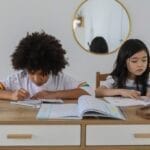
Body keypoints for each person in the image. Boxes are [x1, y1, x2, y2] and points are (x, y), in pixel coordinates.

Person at [0, 32, 93, 101]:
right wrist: (11, 95)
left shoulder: (60, 79)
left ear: (51, 68)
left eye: (42, 73)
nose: (36, 79)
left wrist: (53, 94)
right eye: (31, 73)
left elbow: (89, 89)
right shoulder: (18, 78)